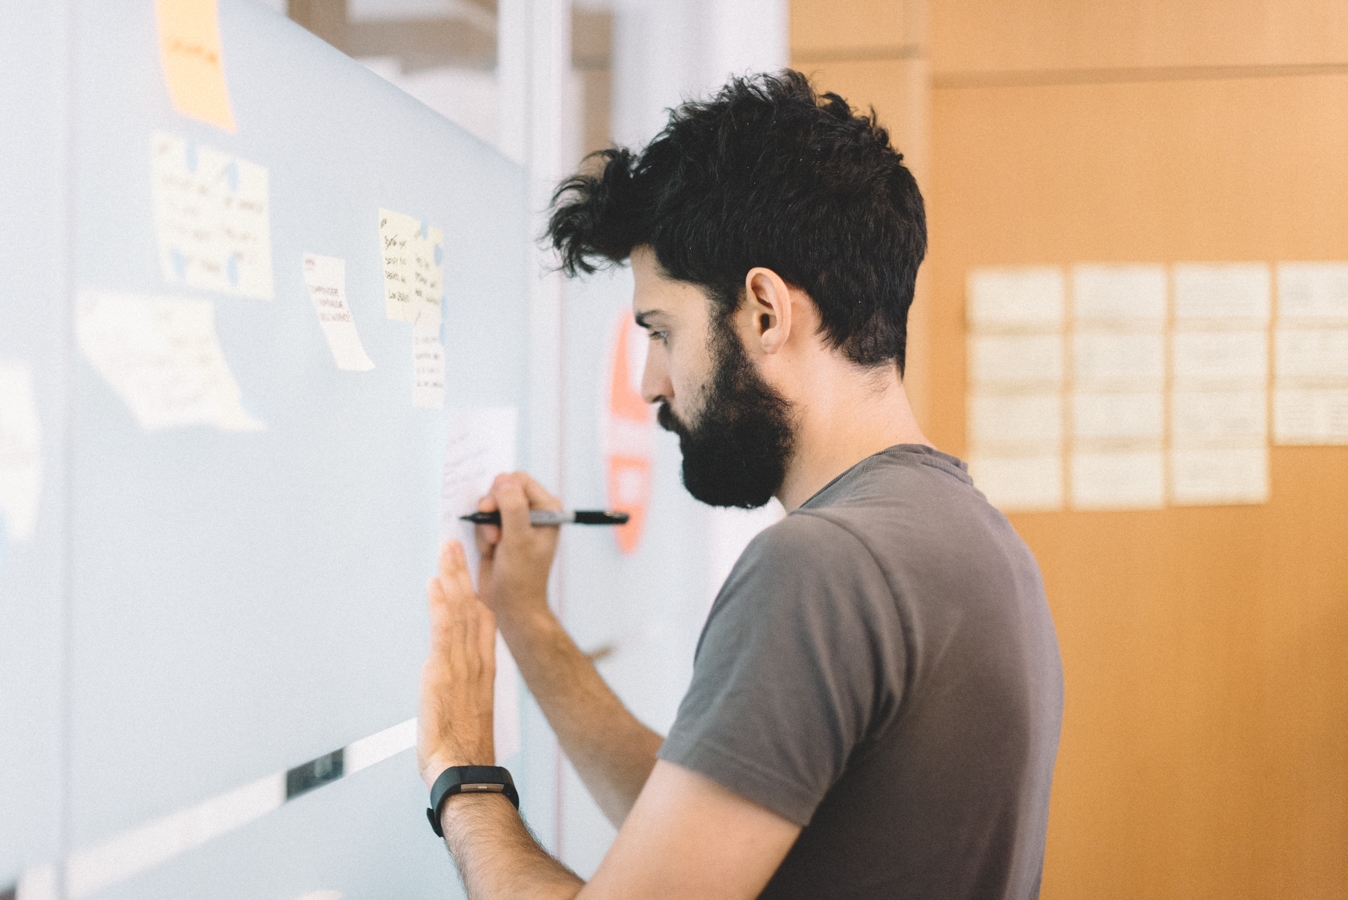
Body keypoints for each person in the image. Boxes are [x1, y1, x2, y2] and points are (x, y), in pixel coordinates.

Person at [416, 70, 1064, 900]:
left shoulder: (820, 568)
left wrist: (464, 780)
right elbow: (702, 836)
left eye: (662, 331)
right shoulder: (970, 536)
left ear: (764, 311)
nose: (651, 383)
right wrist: (528, 620)